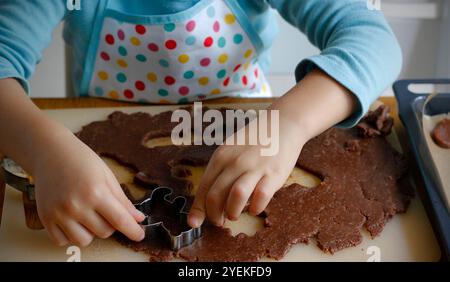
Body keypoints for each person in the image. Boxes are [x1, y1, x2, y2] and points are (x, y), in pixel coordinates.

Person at [0, 0, 402, 247]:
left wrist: (289, 124)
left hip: (250, 133)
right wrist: (42, 150)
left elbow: (373, 39)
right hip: (98, 151)